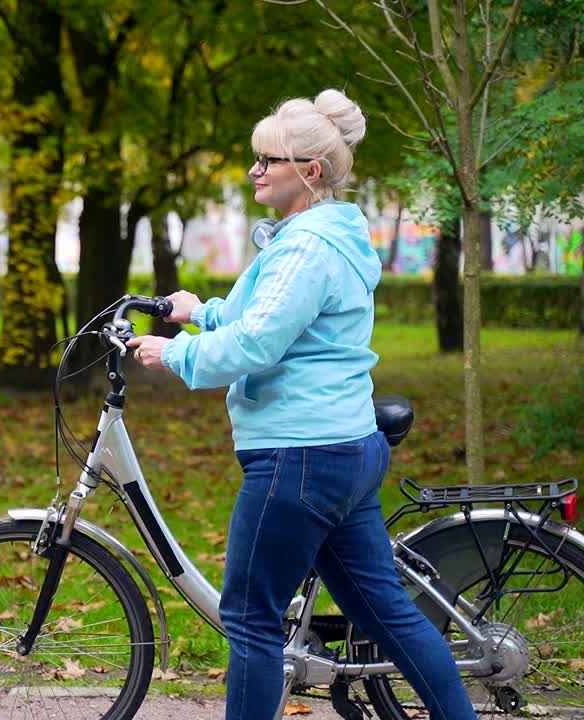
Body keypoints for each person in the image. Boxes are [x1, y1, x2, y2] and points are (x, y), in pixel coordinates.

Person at [126, 90, 477, 720]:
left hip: (301, 457)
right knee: (388, 615)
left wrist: (175, 354)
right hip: (342, 447)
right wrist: (200, 312)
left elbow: (258, 342)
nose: (255, 171)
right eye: (255, 159)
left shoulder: (306, 247)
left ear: (309, 172)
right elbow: (275, 317)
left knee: (250, 620)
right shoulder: (322, 236)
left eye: (269, 160)